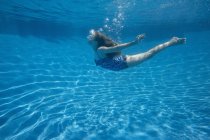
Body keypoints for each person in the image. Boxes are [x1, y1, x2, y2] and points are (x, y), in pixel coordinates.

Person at [87, 29, 186, 71]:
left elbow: (117, 48)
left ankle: (173, 41)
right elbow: (115, 49)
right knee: (149, 54)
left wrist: (134, 42)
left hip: (122, 63)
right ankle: (172, 42)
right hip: (117, 64)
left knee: (150, 53)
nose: (88, 38)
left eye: (91, 37)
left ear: (96, 41)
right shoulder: (96, 48)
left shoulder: (100, 49)